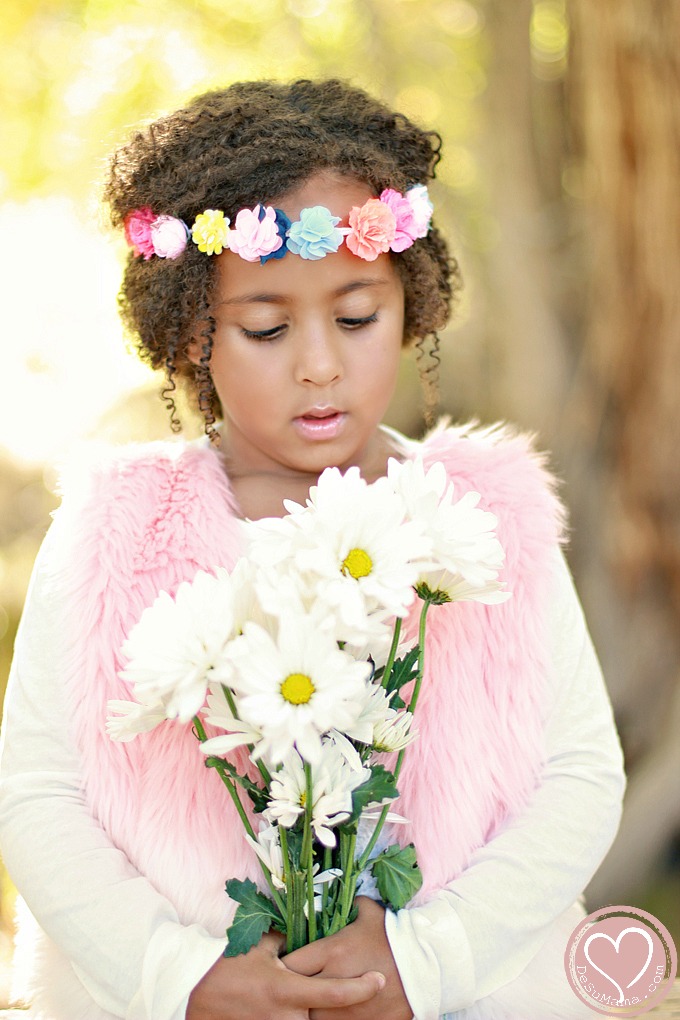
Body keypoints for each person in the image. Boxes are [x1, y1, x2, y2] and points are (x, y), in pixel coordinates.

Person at [0, 79, 625, 1020]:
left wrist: (429, 963)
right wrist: (179, 976)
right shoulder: (112, 531)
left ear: (409, 304)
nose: (320, 363)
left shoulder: (486, 516)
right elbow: (38, 791)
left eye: (357, 315)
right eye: (265, 327)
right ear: (189, 333)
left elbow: (581, 774)